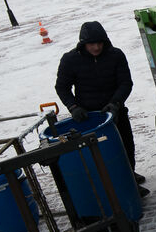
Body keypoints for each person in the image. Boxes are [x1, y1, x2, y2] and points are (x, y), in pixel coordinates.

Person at [55, 21, 149, 198]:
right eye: (92, 44)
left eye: (100, 43)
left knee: (125, 147)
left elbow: (125, 82)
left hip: (115, 112)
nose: (96, 47)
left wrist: (115, 103)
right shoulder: (70, 60)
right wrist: (73, 106)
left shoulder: (116, 55)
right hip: (88, 117)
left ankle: (129, 178)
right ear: (83, 44)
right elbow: (62, 87)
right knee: (98, 153)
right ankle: (107, 184)